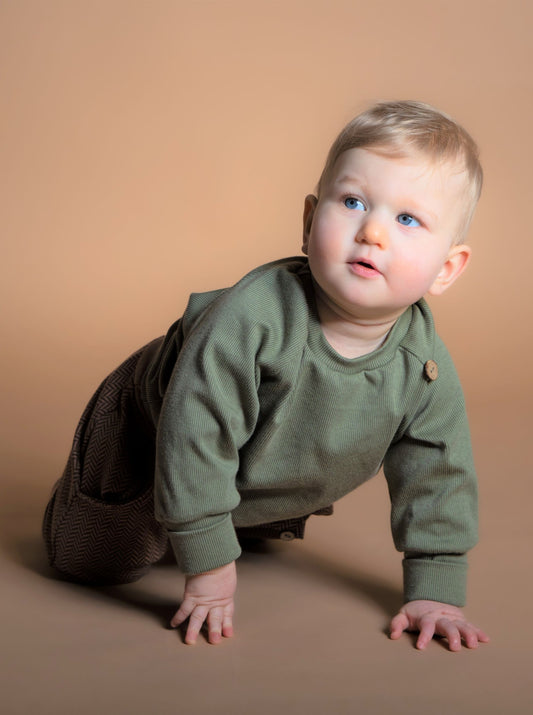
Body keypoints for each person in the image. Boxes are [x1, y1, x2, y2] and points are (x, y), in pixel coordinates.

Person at [43, 100, 490, 652]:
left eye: (407, 219)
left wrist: (436, 587)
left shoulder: (422, 367)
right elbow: (194, 433)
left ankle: (227, 511)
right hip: (152, 423)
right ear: (308, 222)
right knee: (91, 559)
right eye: (352, 202)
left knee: (234, 498)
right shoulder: (252, 317)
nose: (372, 231)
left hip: (261, 454)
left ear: (446, 268)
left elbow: (438, 472)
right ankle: (99, 502)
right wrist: (209, 567)